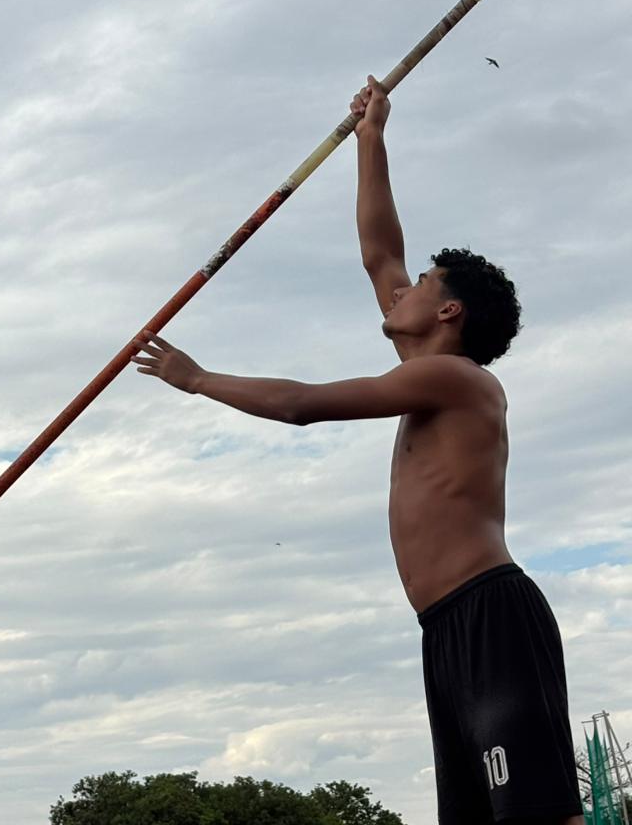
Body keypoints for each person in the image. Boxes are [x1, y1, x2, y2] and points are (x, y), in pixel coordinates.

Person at [132, 75, 583, 824]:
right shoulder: (428, 367)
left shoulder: (456, 379)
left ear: (448, 309)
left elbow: (302, 406)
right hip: (444, 628)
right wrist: (371, 137)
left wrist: (199, 378)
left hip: (490, 617)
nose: (396, 290)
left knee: (537, 814)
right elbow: (381, 252)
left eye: (421, 284)